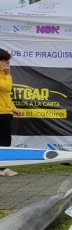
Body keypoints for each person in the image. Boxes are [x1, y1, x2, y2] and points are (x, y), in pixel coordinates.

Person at [0, 48, 23, 177]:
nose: (8, 65)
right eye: (5, 62)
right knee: (4, 141)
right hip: (1, 113)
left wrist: (14, 109)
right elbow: (7, 87)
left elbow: (5, 96)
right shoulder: (4, 75)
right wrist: (8, 74)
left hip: (6, 111)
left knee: (4, 140)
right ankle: (2, 168)